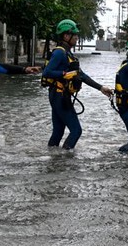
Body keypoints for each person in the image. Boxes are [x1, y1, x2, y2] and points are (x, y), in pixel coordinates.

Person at [41, 19, 112, 150]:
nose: (77, 38)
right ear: (66, 36)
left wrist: (101, 88)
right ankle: (66, 159)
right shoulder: (59, 52)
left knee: (58, 132)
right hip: (59, 96)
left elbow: (81, 75)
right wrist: (64, 74)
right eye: (75, 35)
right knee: (76, 130)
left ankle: (53, 160)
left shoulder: (68, 53)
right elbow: (47, 72)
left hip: (59, 96)